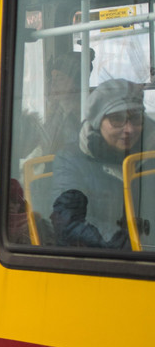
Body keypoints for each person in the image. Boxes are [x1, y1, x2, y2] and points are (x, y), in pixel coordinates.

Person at [52, 79, 154, 247]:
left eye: (135, 118)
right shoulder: (72, 160)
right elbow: (68, 223)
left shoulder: (150, 155)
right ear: (98, 122)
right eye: (117, 119)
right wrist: (128, 244)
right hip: (99, 259)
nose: (129, 129)